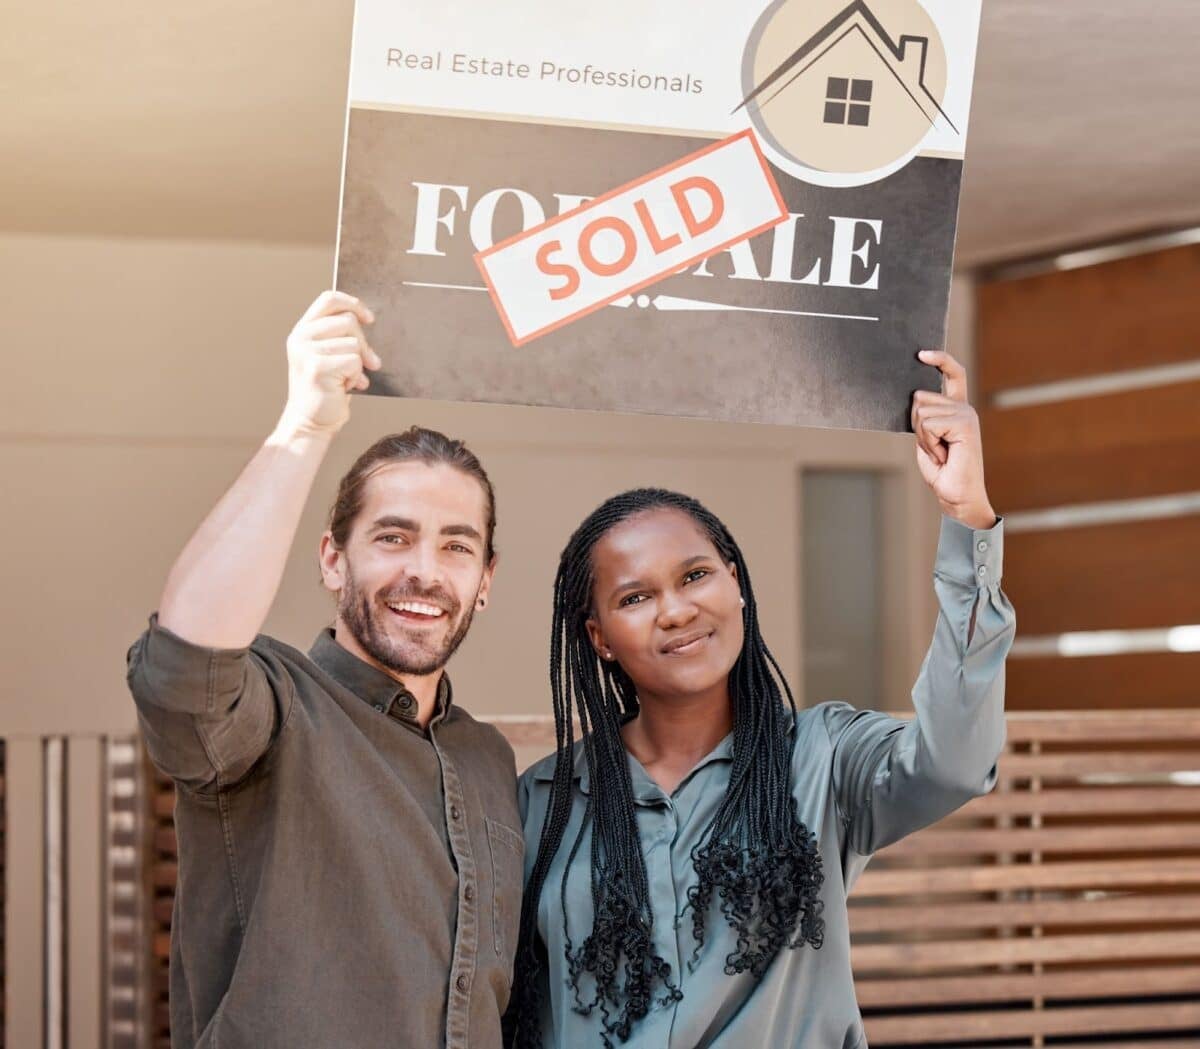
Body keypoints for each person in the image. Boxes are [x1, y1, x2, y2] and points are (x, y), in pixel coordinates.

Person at [507, 351, 1015, 1049]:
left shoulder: (824, 759)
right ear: (598, 636)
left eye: (695, 575)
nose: (677, 610)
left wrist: (967, 518)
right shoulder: (545, 800)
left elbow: (957, 762)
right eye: (636, 596)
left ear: (736, 583)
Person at [126, 290, 523, 1049]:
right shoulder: (272, 706)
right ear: (333, 558)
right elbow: (183, 669)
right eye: (393, 537)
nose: (424, 572)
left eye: (456, 546)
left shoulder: (488, 759)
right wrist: (303, 425)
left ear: (487, 578)